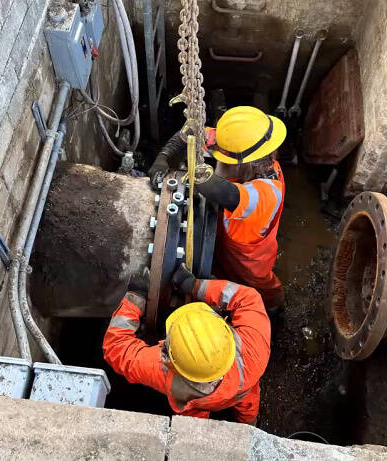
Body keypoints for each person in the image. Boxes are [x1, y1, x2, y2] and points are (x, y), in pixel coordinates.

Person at [148, 106, 287, 310]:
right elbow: (190, 133)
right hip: (226, 239)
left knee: (259, 291)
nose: (218, 157)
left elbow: (225, 193)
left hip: (249, 260)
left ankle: (275, 310)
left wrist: (195, 173)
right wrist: (163, 156)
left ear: (245, 164)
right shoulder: (244, 143)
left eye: (225, 159)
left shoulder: (267, 194)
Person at [102, 265, 271, 425]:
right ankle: (250, 425)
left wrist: (135, 298)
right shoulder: (253, 347)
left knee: (190, 426)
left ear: (171, 357)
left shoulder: (163, 372)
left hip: (195, 406)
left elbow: (116, 348)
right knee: (248, 407)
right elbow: (247, 298)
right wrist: (195, 286)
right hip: (241, 392)